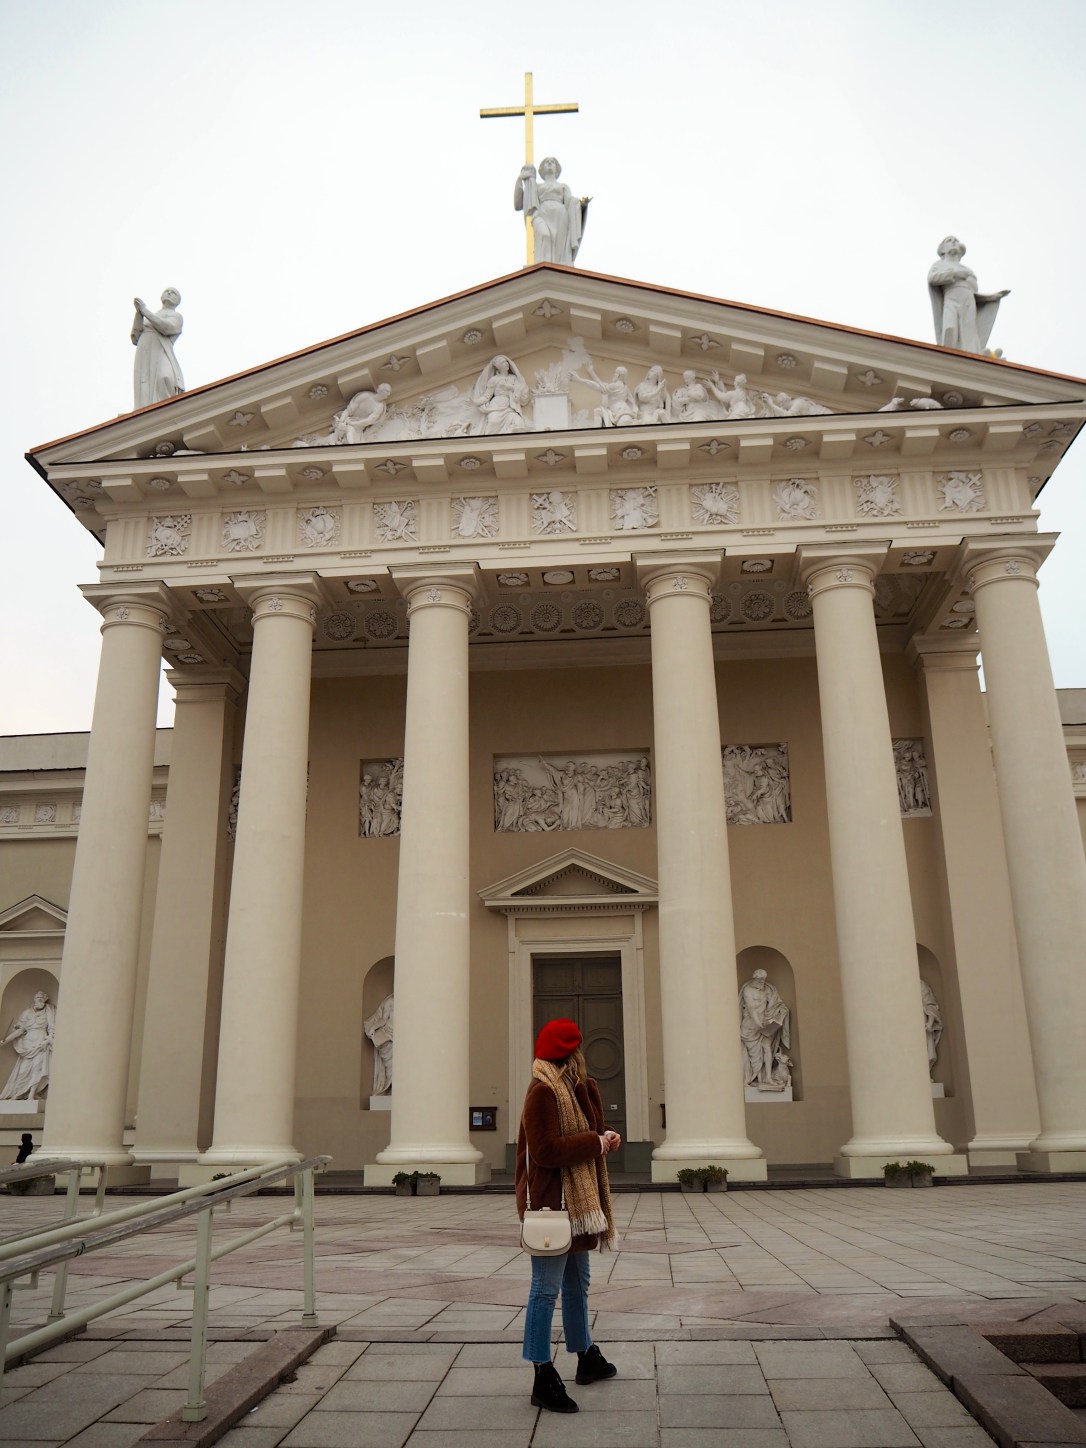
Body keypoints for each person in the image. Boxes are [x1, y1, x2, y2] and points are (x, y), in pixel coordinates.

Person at [516, 1018, 620, 1413]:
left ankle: (584, 1355)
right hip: (552, 1205)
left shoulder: (581, 1088)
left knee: (579, 1284)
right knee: (545, 1290)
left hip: (580, 1204)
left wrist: (606, 1135)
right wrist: (593, 1142)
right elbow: (546, 1151)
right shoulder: (541, 1092)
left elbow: (590, 1131)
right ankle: (542, 1373)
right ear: (571, 1052)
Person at [928, 236, 1009, 354]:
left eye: (956, 241)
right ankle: (947, 356)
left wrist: (991, 297)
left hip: (968, 300)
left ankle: (970, 355)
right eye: (949, 241)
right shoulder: (939, 265)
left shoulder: (967, 270)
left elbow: (973, 292)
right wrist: (955, 274)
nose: (954, 242)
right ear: (942, 250)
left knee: (969, 332)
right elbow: (932, 278)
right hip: (951, 298)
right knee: (949, 329)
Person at [514, 156, 588, 265]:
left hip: (561, 218)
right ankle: (542, 268)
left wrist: (580, 204)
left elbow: (570, 203)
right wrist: (520, 179)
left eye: (552, 162)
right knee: (545, 235)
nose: (549, 163)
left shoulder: (563, 187)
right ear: (542, 169)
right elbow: (519, 204)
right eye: (546, 162)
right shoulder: (536, 186)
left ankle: (558, 269)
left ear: (557, 168)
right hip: (541, 215)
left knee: (559, 247)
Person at [738, 970, 792, 1091]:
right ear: (754, 979)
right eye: (759, 981)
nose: (762, 983)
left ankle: (768, 1078)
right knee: (755, 1057)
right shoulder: (747, 990)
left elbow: (775, 1004)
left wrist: (779, 1013)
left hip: (765, 1024)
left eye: (763, 980)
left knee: (767, 1048)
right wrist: (759, 1024)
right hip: (751, 1027)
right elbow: (751, 1009)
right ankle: (754, 1079)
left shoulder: (767, 988)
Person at [131, 288, 184, 409]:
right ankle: (144, 409)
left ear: (177, 302)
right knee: (144, 379)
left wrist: (145, 311)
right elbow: (135, 337)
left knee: (165, 376)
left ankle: (165, 409)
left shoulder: (176, 316)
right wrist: (139, 314)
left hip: (161, 349)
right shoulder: (153, 315)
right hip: (145, 349)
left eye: (173, 292)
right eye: (167, 291)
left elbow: (166, 327)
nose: (169, 293)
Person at [0, 991, 55, 1101]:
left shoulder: (49, 1011)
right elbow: (20, 1030)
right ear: (34, 999)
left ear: (45, 999)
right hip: (27, 1046)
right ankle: (18, 1094)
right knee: (22, 1071)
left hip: (41, 1044)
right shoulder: (27, 1012)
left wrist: (47, 1041)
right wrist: (5, 1041)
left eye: (41, 997)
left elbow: (52, 1030)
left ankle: (31, 1095)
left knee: (37, 1069)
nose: (39, 999)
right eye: (37, 997)